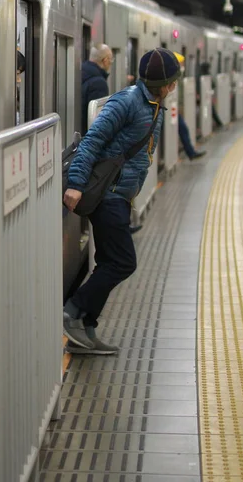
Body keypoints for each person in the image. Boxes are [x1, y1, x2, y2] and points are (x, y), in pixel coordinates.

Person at [63, 48, 181, 355]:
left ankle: (85, 329)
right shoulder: (127, 101)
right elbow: (92, 140)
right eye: (174, 82)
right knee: (123, 262)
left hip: (120, 194)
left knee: (107, 261)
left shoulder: (153, 104)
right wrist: (75, 183)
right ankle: (72, 311)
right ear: (167, 84)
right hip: (108, 194)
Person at [173, 53, 206, 161]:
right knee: (183, 129)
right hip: (170, 110)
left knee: (183, 129)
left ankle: (190, 153)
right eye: (181, 63)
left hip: (173, 109)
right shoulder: (174, 76)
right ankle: (190, 153)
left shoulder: (178, 76)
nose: (183, 65)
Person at [81, 44, 113, 135]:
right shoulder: (99, 83)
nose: (110, 63)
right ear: (105, 60)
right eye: (111, 60)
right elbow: (97, 120)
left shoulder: (80, 73)